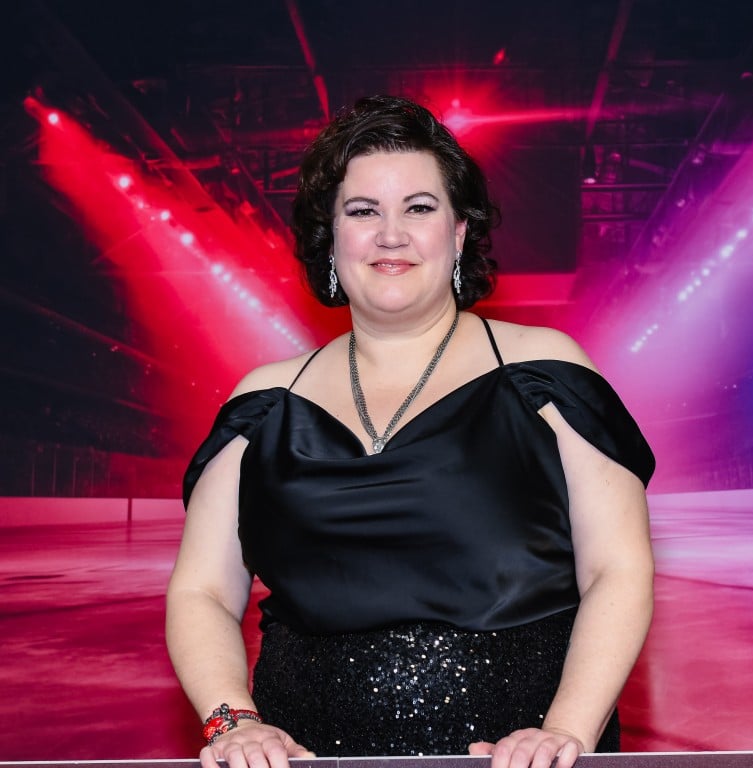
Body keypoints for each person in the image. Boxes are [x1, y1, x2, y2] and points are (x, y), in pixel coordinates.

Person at [166, 95, 655, 768]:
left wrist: (566, 731)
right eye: (362, 211)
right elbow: (202, 592)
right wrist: (233, 722)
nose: (390, 234)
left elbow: (618, 570)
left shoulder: (544, 373)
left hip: (525, 763)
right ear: (331, 237)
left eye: (419, 208)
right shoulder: (261, 403)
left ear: (458, 234)